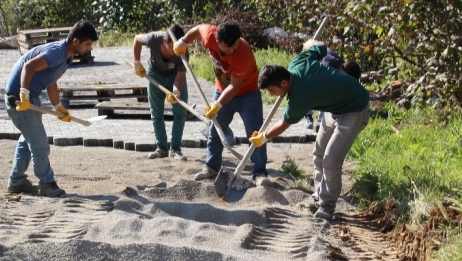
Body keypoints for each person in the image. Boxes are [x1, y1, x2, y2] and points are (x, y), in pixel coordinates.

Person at [252, 40, 370, 220]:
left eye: (271, 90)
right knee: (319, 153)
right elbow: (322, 46)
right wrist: (310, 43)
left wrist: (264, 137)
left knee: (331, 158)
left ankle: (327, 206)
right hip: (334, 109)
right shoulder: (297, 62)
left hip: (354, 109)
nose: (271, 94)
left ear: (284, 83)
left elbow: (284, 124)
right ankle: (319, 194)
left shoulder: (300, 97)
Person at [4, 20, 98, 197]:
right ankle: (47, 183)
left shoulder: (67, 57)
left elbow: (52, 82)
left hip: (29, 96)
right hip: (18, 99)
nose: (89, 48)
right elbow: (29, 66)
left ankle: (16, 182)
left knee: (28, 139)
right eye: (87, 44)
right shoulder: (57, 53)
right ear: (76, 41)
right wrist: (23, 93)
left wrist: (58, 107)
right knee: (39, 143)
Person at [173, 21, 269, 185]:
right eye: (227, 48)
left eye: (235, 45)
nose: (231, 50)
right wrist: (183, 42)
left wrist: (217, 105)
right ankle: (212, 167)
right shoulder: (210, 35)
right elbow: (197, 29)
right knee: (215, 130)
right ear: (217, 41)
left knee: (255, 133)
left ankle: (259, 172)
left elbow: (234, 86)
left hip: (247, 92)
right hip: (221, 89)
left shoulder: (243, 54)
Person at [133, 25, 189, 161]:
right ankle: (161, 148)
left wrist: (175, 91)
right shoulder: (154, 39)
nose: (177, 50)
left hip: (174, 75)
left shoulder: (183, 51)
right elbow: (136, 39)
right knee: (156, 112)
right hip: (155, 74)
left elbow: (180, 76)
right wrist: (137, 62)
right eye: (173, 47)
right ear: (165, 42)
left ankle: (175, 149)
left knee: (180, 112)